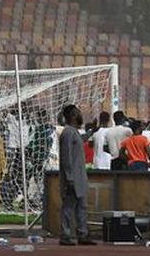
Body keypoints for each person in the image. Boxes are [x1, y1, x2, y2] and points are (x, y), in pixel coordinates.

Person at [58, 104, 95, 246]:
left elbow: (81, 139)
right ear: (73, 115)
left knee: (82, 207)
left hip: (80, 177)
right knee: (68, 207)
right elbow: (66, 158)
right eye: (79, 113)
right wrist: (69, 178)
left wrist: (92, 132)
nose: (81, 116)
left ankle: (82, 234)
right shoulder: (68, 133)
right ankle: (65, 235)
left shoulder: (74, 133)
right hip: (72, 178)